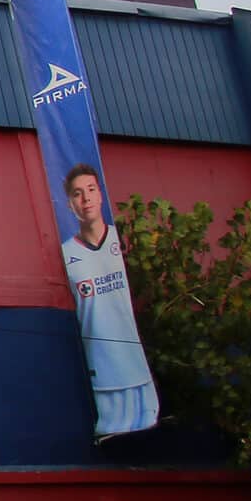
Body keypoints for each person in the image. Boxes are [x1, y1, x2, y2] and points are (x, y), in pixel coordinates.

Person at [59, 161, 161, 435]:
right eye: (78, 193)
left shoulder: (124, 242)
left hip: (139, 373)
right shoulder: (66, 254)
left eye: (91, 189)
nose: (86, 198)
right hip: (102, 379)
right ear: (70, 203)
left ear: (101, 194)